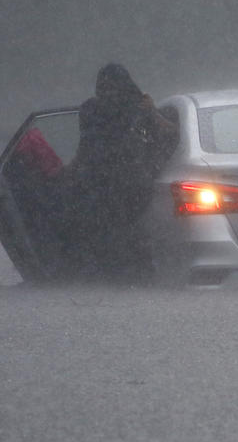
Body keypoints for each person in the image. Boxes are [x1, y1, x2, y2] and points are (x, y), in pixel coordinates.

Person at [64, 63, 179, 281]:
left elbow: (170, 134)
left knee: (118, 232)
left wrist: (151, 112)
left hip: (121, 184)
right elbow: (85, 146)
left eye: (111, 86)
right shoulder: (95, 109)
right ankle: (124, 274)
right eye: (104, 87)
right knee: (115, 232)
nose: (108, 92)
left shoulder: (134, 107)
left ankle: (122, 274)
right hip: (110, 183)